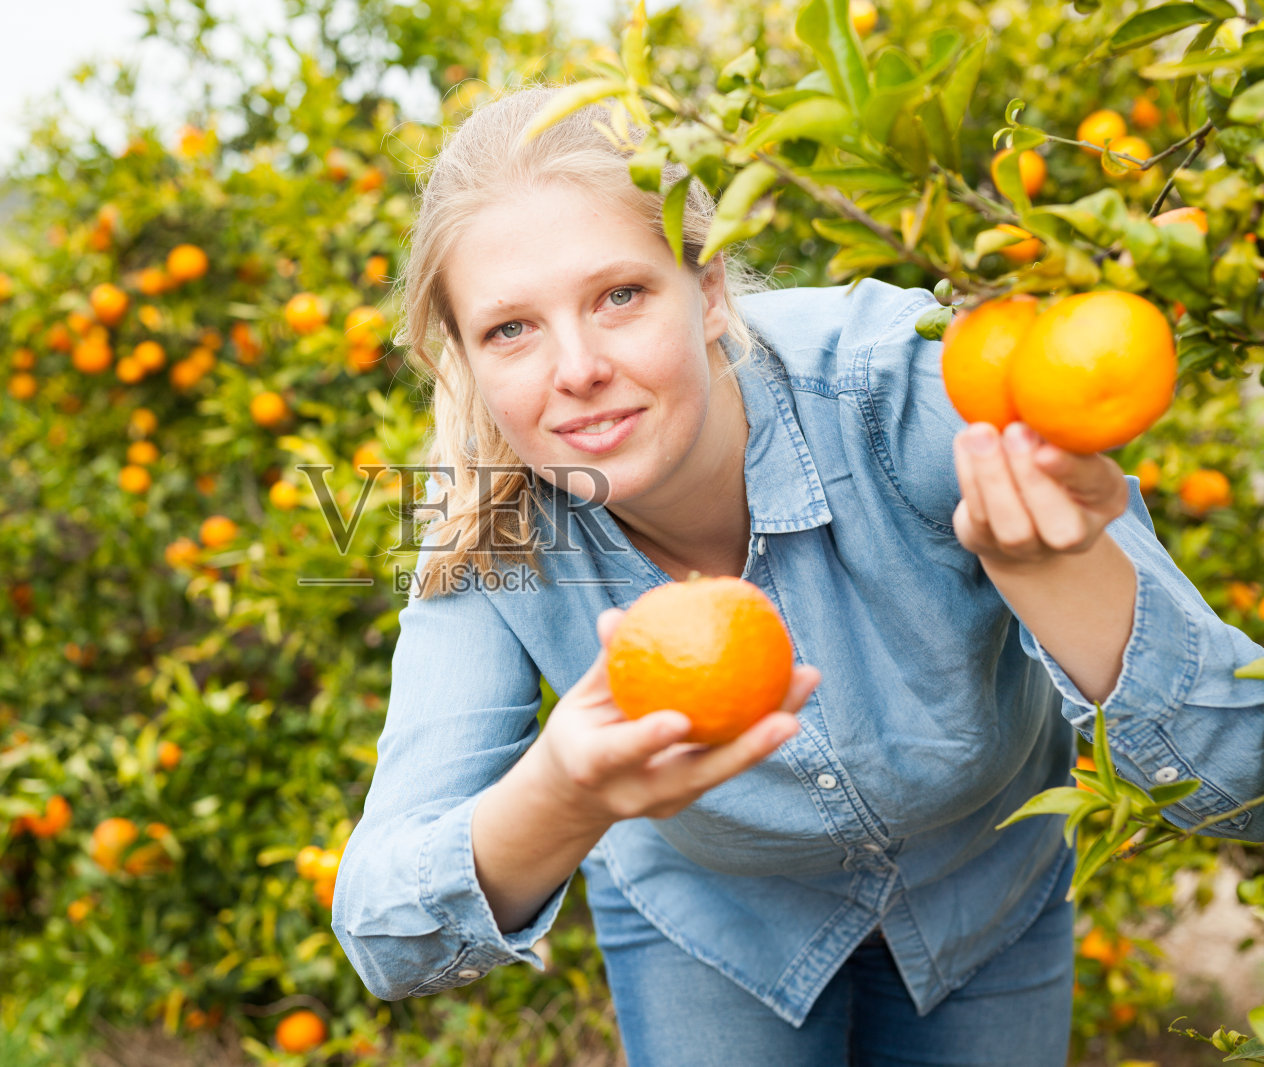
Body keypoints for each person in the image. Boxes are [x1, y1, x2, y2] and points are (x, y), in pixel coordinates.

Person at [328, 84, 1264, 1066]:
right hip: (717, 924)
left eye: (620, 295)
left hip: (982, 887)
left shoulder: (913, 384)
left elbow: (1240, 779)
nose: (576, 367)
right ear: (469, 363)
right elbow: (384, 929)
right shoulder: (492, 530)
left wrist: (1059, 568)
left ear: (712, 290)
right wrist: (567, 790)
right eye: (510, 328)